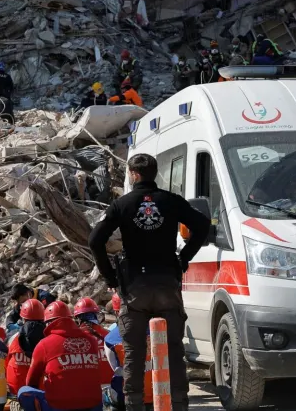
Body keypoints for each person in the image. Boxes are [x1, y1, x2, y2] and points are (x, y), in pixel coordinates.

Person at [88, 153, 211, 411]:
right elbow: (202, 225)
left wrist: (110, 276)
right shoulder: (171, 201)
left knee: (133, 353)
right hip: (167, 284)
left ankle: (134, 406)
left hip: (134, 289)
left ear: (133, 174)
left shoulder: (121, 205)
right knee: (175, 350)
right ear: (154, 174)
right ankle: (179, 405)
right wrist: (184, 258)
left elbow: (95, 240)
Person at [20, 301, 104, 411]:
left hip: (59, 406)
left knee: (24, 391)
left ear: (48, 323)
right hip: (93, 404)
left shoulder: (44, 344)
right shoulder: (92, 340)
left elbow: (31, 381)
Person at [103, 299, 153, 411]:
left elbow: (115, 370)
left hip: (129, 397)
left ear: (116, 313)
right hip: (156, 394)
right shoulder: (157, 329)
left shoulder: (110, 339)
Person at [5, 299, 46, 396]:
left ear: (23, 319)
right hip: (41, 394)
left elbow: (5, 364)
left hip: (16, 392)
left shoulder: (12, 338)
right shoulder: (49, 339)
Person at [74, 297, 116, 386]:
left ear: (78, 318)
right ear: (96, 315)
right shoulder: (109, 335)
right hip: (112, 387)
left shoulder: (73, 339)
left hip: (88, 388)